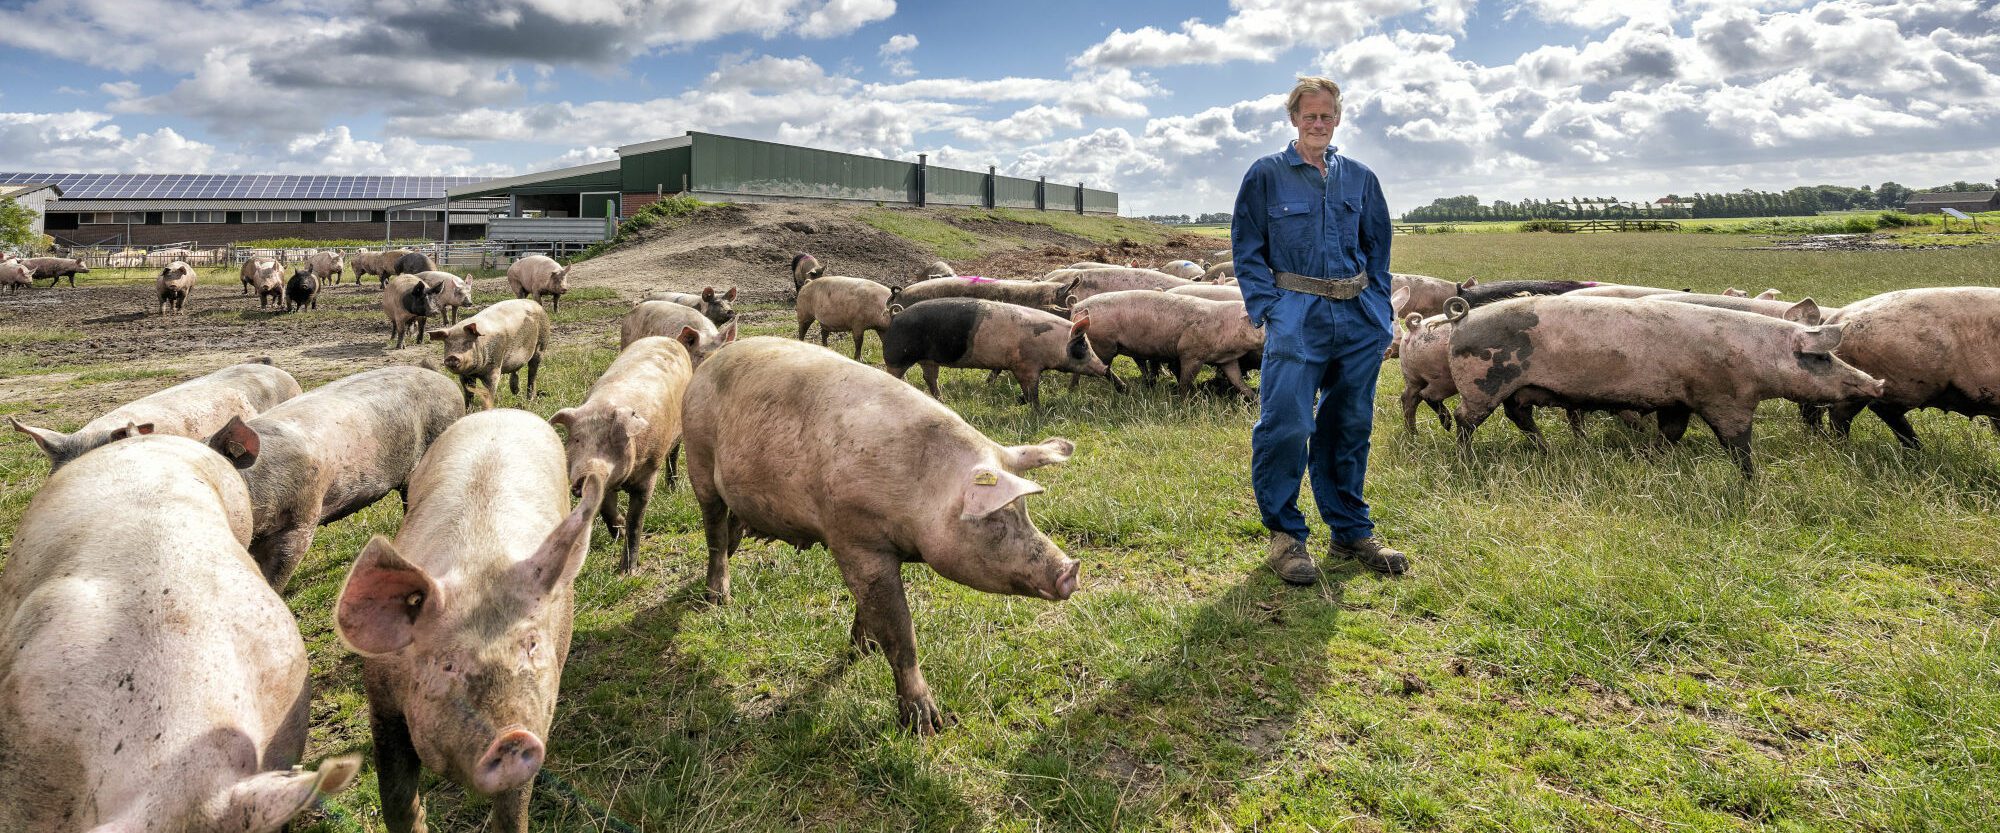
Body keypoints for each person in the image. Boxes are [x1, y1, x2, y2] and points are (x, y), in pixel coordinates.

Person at [1231, 76, 1407, 584]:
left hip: (1357, 317)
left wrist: (1378, 311)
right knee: (1286, 425)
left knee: (1349, 426)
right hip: (1297, 314)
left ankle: (1351, 530)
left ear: (1338, 118)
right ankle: (1286, 536)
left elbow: (1379, 249)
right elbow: (1247, 249)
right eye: (1309, 115)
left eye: (1326, 115)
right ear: (1293, 118)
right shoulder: (1266, 175)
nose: (1318, 123)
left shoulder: (1360, 178)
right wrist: (1271, 309)